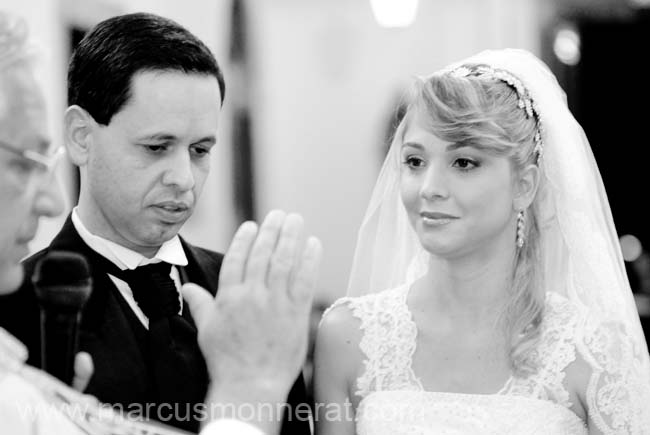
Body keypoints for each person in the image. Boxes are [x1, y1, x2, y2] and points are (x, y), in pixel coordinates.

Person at [0, 12, 321, 435]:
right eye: (156, 147)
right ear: (81, 137)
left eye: (200, 150)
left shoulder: (248, 296)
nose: (184, 179)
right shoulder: (14, 303)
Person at [315, 48, 650, 434]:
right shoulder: (347, 338)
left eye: (464, 163)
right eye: (414, 161)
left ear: (524, 186)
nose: (429, 188)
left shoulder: (595, 353)